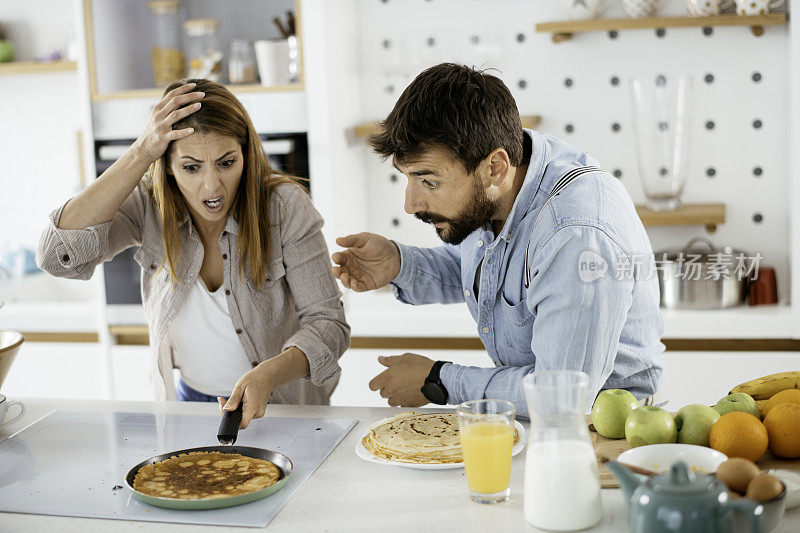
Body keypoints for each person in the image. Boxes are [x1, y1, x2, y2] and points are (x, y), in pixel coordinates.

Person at [331, 63, 664, 416]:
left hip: (602, 431)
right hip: (536, 419)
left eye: (429, 182)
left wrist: (438, 380)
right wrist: (400, 264)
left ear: (495, 167)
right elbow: (489, 268)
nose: (411, 205)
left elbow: (562, 396)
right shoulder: (505, 176)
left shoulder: (575, 235)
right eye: (407, 178)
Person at [37, 79, 349, 429]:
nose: (212, 185)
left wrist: (269, 375)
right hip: (190, 408)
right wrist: (140, 152)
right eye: (191, 167)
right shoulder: (149, 206)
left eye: (227, 162)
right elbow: (55, 256)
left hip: (283, 406)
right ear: (167, 165)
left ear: (246, 153)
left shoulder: (284, 207)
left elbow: (328, 324)